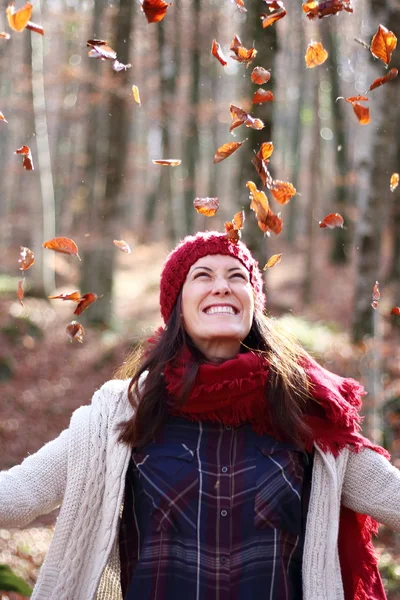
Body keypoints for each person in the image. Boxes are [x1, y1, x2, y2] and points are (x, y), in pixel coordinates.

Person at [1, 230, 400, 600]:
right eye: (203, 275)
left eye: (236, 276)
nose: (221, 286)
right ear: (177, 304)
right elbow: (18, 498)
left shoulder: (307, 414)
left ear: (252, 304)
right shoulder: (120, 415)